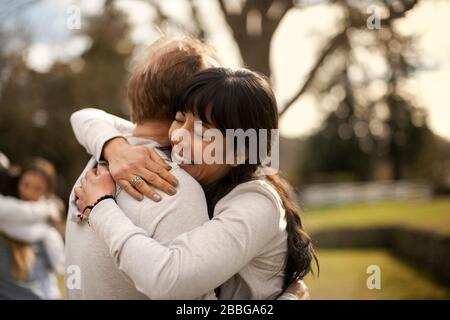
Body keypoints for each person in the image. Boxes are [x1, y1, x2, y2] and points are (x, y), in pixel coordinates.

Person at [73, 67, 317, 299]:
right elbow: (85, 117)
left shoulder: (257, 204)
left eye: (202, 133)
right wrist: (116, 149)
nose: (179, 137)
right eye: (179, 119)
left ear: (240, 153)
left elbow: (168, 282)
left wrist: (101, 206)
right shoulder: (201, 166)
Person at [0, 157, 64, 299]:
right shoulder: (6, 217)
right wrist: (45, 211)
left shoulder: (47, 233)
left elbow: (54, 274)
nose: (28, 193)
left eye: (37, 188)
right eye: (26, 184)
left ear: (46, 192)